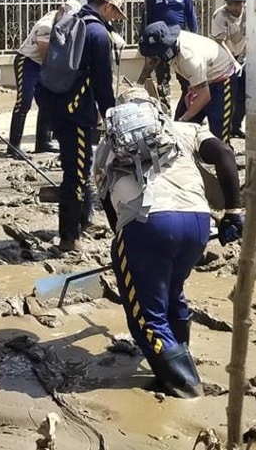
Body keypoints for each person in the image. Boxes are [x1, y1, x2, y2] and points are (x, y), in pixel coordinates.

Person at [93, 87, 244, 398]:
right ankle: (179, 350)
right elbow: (225, 155)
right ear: (156, 109)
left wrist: (129, 248)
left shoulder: (107, 146)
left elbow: (112, 211)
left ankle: (188, 389)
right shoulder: (185, 129)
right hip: (197, 222)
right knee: (172, 290)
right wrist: (233, 213)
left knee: (147, 316)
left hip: (148, 225)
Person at [36, 0, 126, 252]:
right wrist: (111, 116)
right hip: (75, 112)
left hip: (55, 103)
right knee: (76, 173)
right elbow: (102, 84)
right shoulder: (98, 33)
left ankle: (82, 222)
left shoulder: (71, 19)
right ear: (107, 6)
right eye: (114, 13)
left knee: (77, 167)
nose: (113, 18)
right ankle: (69, 237)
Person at [138, 23, 240, 144]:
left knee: (218, 137)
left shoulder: (189, 58)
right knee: (177, 131)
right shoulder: (169, 47)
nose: (153, 58)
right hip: (198, 82)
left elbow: (204, 96)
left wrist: (184, 119)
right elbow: (151, 62)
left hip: (221, 81)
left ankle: (225, 160)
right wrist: (139, 83)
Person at [8, 0, 82, 158]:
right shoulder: (47, 26)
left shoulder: (61, 20)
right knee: (24, 101)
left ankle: (43, 141)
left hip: (44, 64)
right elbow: (46, 53)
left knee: (47, 100)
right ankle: (13, 146)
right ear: (62, 12)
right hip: (28, 62)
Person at [143, 0, 197, 114]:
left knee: (186, 79)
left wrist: (195, 38)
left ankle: (186, 111)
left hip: (180, 41)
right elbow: (146, 22)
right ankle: (165, 110)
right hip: (159, 43)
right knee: (162, 79)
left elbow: (191, 17)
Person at [210, 0, 246, 138]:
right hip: (224, 58)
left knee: (243, 94)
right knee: (227, 96)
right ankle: (223, 131)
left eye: (237, 4)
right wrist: (233, 62)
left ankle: (236, 127)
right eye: (230, 4)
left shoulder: (250, 13)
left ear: (243, 3)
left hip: (243, 56)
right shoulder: (220, 15)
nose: (233, 7)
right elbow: (219, 41)